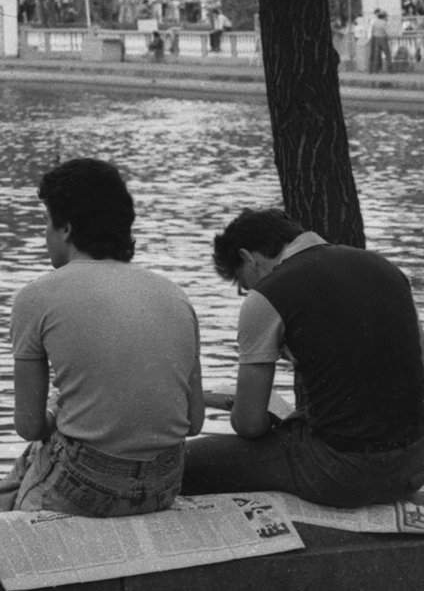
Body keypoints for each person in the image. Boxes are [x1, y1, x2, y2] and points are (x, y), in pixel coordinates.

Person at [0, 158, 203, 516]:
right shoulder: (174, 295)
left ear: (66, 229)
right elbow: (193, 422)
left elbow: (29, 426)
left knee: (2, 508)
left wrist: (57, 409)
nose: (44, 235)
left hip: (87, 482)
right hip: (165, 480)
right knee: (26, 469)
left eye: (45, 223)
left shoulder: (37, 296)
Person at [180, 207, 424, 506]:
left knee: (183, 464)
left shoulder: (269, 294)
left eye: (243, 284)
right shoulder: (384, 268)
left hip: (339, 472)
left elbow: (249, 425)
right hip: (411, 466)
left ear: (248, 257)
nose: (248, 292)